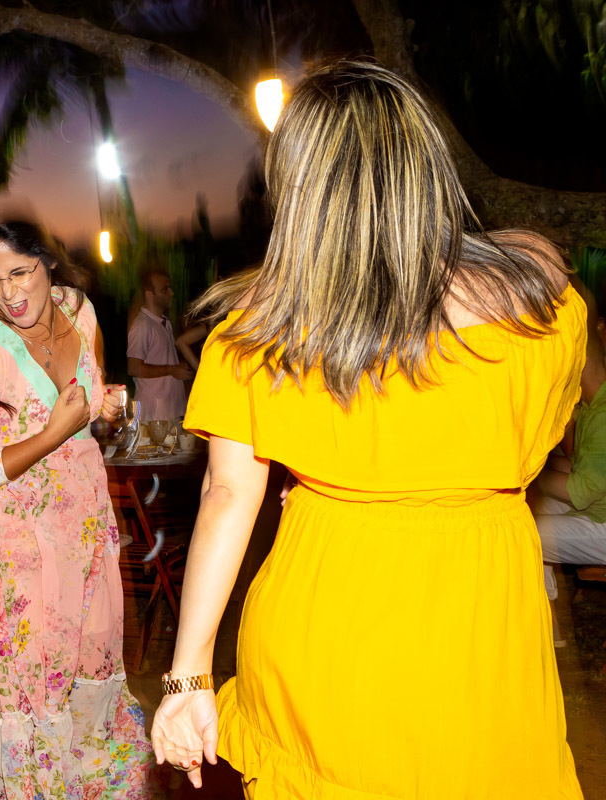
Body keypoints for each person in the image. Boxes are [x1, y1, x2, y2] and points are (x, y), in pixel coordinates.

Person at [150, 59, 584, 798]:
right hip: (480, 631)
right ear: (425, 164)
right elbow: (533, 444)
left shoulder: (256, 334)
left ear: (300, 187)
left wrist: (189, 675)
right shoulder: (545, 310)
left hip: (323, 626)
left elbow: (227, 497)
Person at [0, 218, 158, 799]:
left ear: (49, 265)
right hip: (11, 552)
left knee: (86, 678)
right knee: (27, 693)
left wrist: (99, 412)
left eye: (20, 272)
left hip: (84, 528)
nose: (9, 292)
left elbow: (88, 396)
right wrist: (55, 431)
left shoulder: (80, 310)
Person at [533, 283, 606, 607]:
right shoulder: (592, 405)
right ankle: (546, 615)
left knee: (518, 532)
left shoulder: (602, 413)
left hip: (602, 521)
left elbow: (583, 489)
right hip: (597, 507)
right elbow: (580, 464)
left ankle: (543, 618)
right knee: (521, 511)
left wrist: (525, 473)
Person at [127, 267, 191, 421]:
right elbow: (134, 368)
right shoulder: (143, 325)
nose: (171, 293)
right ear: (149, 294)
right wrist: (172, 369)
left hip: (169, 412)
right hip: (153, 414)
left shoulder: (164, 323)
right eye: (165, 289)